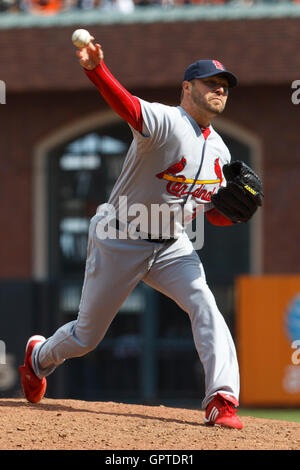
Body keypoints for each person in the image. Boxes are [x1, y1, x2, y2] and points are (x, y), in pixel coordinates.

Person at [19, 37, 249, 429]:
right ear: (187, 88)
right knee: (86, 337)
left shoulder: (222, 154)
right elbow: (125, 104)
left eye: (224, 84)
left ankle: (221, 398)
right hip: (120, 235)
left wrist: (237, 215)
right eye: (210, 82)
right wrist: (96, 70)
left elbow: (212, 215)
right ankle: (38, 358)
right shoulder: (165, 121)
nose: (219, 88)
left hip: (172, 244)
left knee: (204, 303)